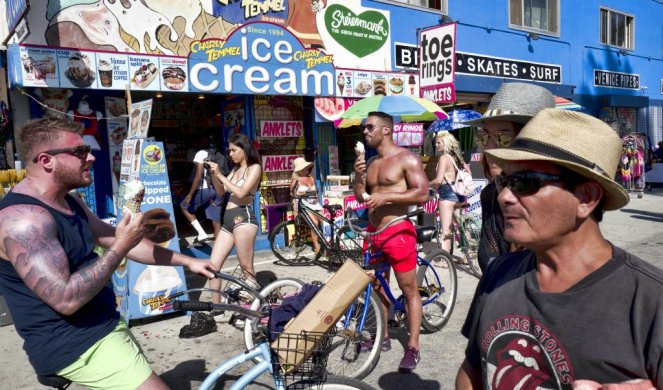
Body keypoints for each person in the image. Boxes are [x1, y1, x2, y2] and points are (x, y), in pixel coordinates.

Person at [0, 118, 217, 389]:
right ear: (46, 160)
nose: (90, 156)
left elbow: (119, 239)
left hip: (101, 323)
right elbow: (66, 300)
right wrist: (120, 247)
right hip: (72, 342)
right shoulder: (24, 222)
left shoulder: (69, 201)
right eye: (79, 151)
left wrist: (187, 261)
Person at [455, 109, 663, 389]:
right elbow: (472, 369)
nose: (504, 196)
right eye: (504, 181)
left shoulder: (650, 302)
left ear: (586, 198)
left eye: (524, 183)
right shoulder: (498, 274)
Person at [353, 111, 429, 373]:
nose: (365, 131)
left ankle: (413, 347)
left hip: (397, 230)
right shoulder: (371, 162)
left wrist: (387, 199)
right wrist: (357, 177)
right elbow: (361, 196)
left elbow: (422, 193)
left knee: (408, 289)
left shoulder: (407, 158)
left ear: (386, 130)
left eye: (370, 126)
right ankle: (383, 337)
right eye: (364, 127)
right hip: (374, 233)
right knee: (375, 285)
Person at [462, 82, 555, 271]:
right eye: (483, 137)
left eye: (502, 138)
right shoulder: (491, 194)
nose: (488, 148)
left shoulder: (557, 199)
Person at [205, 133, 262, 305]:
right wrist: (215, 174)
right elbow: (221, 192)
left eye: (233, 150)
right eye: (229, 151)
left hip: (243, 218)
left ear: (244, 149)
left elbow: (241, 192)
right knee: (212, 267)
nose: (230, 154)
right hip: (228, 220)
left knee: (246, 269)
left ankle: (254, 307)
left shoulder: (255, 168)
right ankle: (216, 307)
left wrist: (221, 175)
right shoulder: (235, 170)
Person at [180, 136, 226, 243]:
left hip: (206, 190)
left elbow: (198, 176)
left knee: (184, 207)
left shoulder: (200, 153)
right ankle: (219, 246)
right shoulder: (217, 153)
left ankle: (201, 233)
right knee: (216, 219)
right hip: (219, 189)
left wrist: (190, 195)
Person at [428, 131, 468, 253]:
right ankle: (466, 255)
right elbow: (468, 173)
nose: (436, 145)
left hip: (447, 194)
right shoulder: (457, 157)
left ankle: (445, 258)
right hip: (460, 194)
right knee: (460, 226)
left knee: (446, 229)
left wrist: (426, 184)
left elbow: (439, 180)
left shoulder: (444, 158)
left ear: (446, 143)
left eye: (438, 142)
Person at [290, 157, 323, 255]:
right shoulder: (296, 180)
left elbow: (316, 191)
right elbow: (293, 195)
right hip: (305, 205)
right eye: (304, 168)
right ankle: (317, 247)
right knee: (314, 224)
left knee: (325, 222)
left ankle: (328, 244)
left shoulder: (311, 178)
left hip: (315, 204)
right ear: (299, 170)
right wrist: (295, 211)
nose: (306, 169)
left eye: (307, 167)